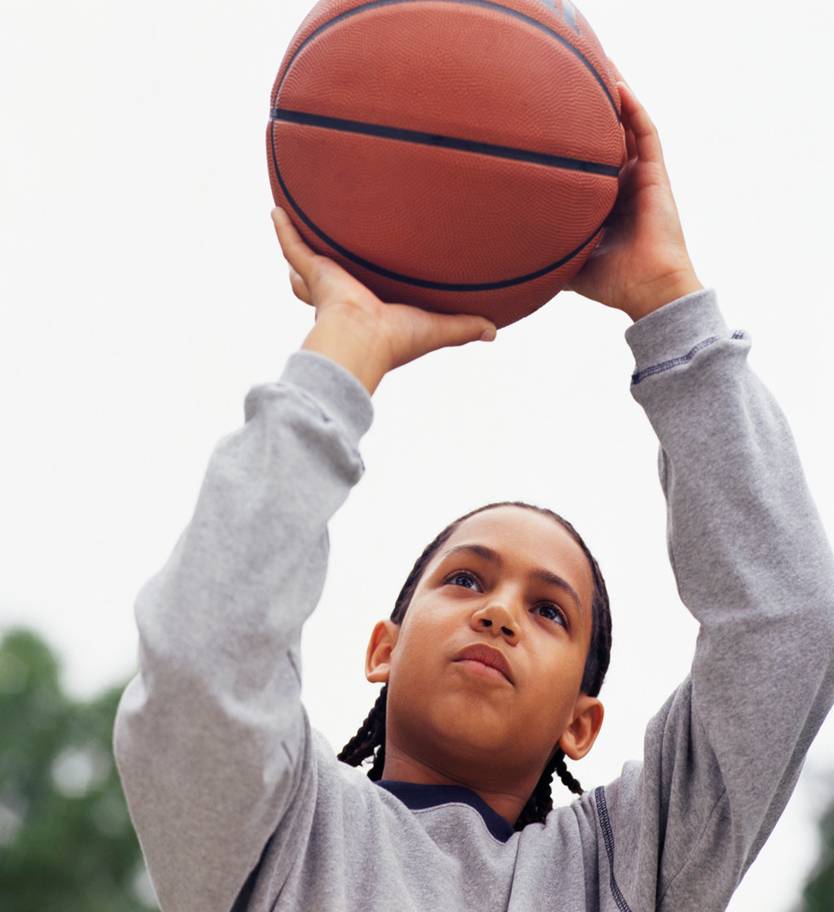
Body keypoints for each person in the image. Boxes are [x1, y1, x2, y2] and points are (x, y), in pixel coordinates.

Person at [112, 73, 834, 912]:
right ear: (383, 650)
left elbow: (788, 622)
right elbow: (202, 653)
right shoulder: (274, 835)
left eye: (550, 612)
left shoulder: (628, 871)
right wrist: (346, 347)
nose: (498, 613)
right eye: (465, 578)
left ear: (580, 724)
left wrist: (669, 301)